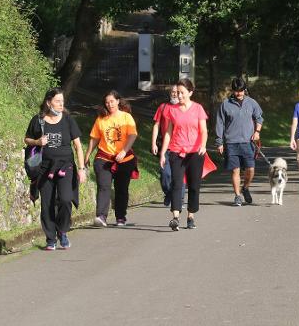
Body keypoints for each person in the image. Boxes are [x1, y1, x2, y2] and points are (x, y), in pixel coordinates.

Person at [24, 87, 87, 250]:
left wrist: (81, 169)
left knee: (66, 199)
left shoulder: (68, 120)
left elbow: (78, 146)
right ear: (48, 102)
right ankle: (50, 238)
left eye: (62, 101)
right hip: (44, 168)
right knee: (47, 204)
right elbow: (27, 139)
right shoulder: (38, 120)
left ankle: (62, 231)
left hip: (66, 167)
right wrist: (37, 142)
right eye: (57, 101)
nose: (61, 104)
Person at [160, 78, 209, 230]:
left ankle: (191, 216)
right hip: (176, 152)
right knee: (177, 184)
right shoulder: (172, 110)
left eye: (182, 93)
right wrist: (163, 153)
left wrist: (203, 145)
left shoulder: (198, 108)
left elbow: (204, 130)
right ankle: (175, 217)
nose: (179, 96)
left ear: (190, 92)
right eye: (178, 93)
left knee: (194, 186)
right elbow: (168, 132)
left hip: (195, 152)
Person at [84, 90, 138, 227]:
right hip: (104, 158)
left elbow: (132, 135)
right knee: (104, 186)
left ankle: (120, 216)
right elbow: (94, 138)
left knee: (121, 189)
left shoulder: (126, 117)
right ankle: (101, 216)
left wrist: (124, 151)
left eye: (112, 101)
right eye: (107, 102)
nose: (109, 104)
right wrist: (87, 155)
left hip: (124, 159)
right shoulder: (101, 119)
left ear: (118, 101)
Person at [215, 77, 264, 206]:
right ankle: (237, 196)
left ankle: (245, 187)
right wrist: (219, 142)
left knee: (250, 169)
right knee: (235, 170)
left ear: (244, 90)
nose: (239, 94)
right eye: (236, 91)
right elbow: (220, 123)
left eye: (241, 91)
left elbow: (259, 118)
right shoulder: (225, 105)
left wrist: (257, 132)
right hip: (231, 143)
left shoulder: (252, 103)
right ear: (233, 91)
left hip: (248, 142)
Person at [151, 85, 185, 208]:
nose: (175, 94)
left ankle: (179, 199)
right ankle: (169, 193)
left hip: (181, 147)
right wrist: (153, 142)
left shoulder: (184, 107)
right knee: (165, 173)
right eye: (172, 92)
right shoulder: (163, 107)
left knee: (179, 175)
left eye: (177, 92)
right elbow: (156, 125)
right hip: (166, 147)